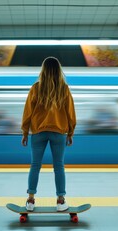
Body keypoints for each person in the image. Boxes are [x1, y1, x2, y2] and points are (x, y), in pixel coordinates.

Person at [21, 56, 76, 212]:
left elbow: (27, 112)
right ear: (59, 71)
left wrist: (25, 132)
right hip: (58, 132)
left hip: (38, 132)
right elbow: (71, 112)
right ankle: (60, 201)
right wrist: (70, 132)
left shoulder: (36, 88)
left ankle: (30, 201)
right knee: (59, 166)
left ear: (43, 70)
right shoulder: (64, 88)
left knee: (35, 166)